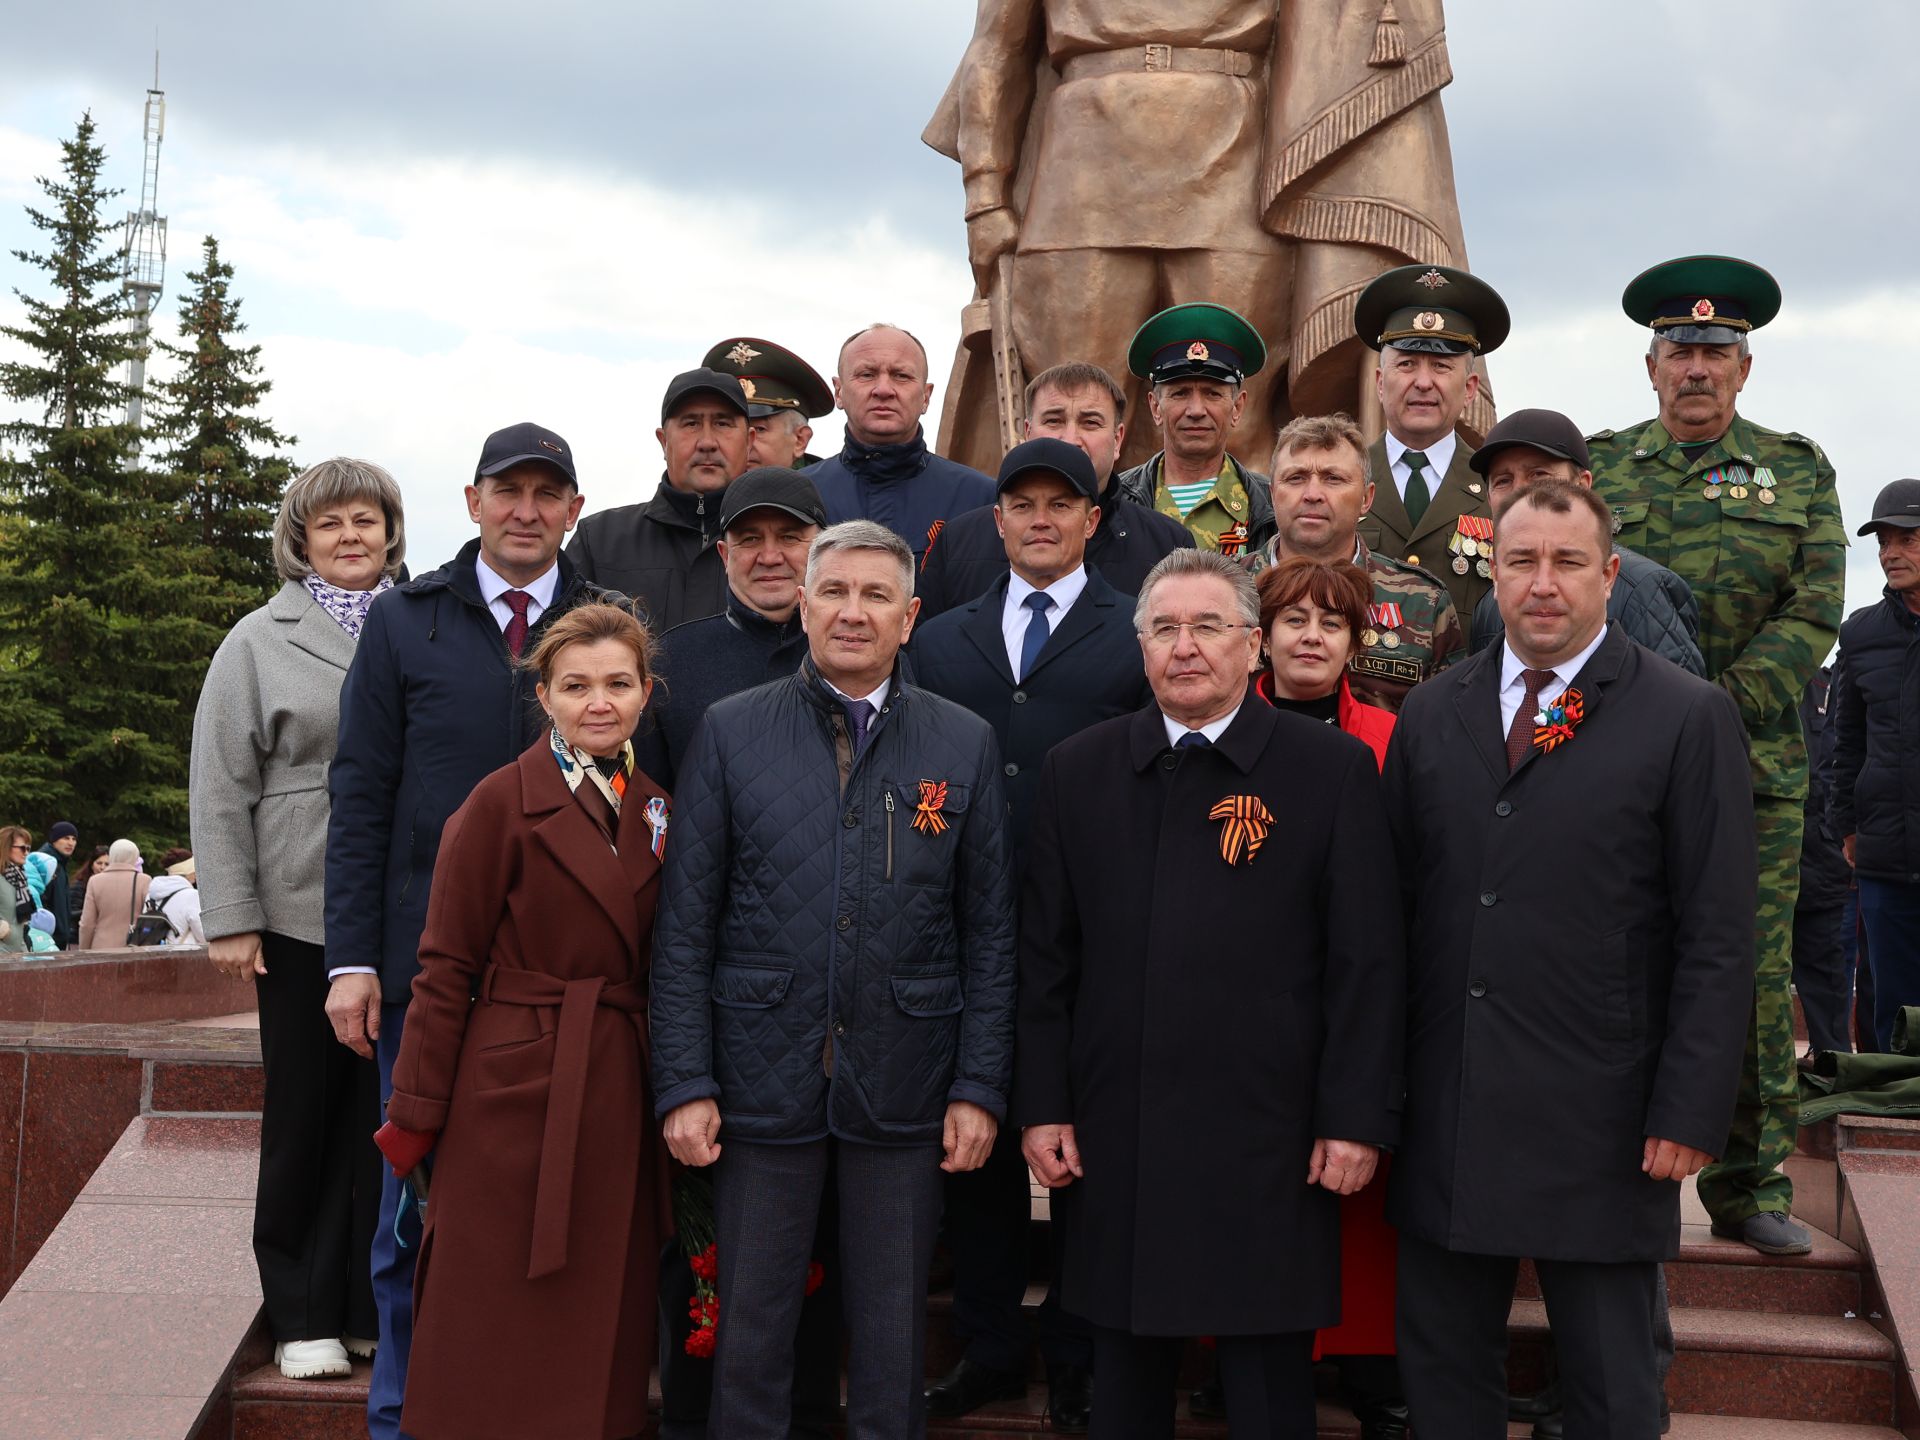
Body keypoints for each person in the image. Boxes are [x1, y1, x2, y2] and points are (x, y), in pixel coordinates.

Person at [1382, 479, 1754, 1439]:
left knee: (1613, 1392)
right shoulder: (1432, 716)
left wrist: (1689, 1108)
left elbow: (1718, 936)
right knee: (1445, 1381)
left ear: (1609, 574)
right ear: (1491, 574)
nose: (1542, 584)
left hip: (1607, 1117)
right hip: (1449, 1102)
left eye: (1567, 562)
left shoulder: (1685, 716)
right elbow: (1392, 920)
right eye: (1521, 561)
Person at [1016, 549, 1403, 1440]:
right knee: (1123, 1379)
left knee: (1268, 1386)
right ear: (1140, 646)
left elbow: (1366, 963)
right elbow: (1046, 963)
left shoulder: (1329, 771)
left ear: (1253, 645)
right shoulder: (1080, 770)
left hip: (1273, 1138)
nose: (1184, 648)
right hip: (1120, 1132)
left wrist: (1354, 1119)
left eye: (1208, 627)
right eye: (1164, 629)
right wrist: (1042, 1106)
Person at [651, 520, 1016, 1440]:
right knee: (754, 1333)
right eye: (836, 592)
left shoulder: (962, 742)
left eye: (876, 596)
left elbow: (991, 934)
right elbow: (685, 925)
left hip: (907, 1078)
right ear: (805, 605)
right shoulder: (732, 733)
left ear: (910, 617)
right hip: (759, 1078)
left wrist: (978, 1087)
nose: (854, 612)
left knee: (892, 1342)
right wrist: (686, 1083)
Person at [324, 420, 613, 1440]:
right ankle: (403, 1413)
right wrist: (353, 959)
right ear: (473, 500)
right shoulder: (406, 622)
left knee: (550, 1212)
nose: (527, 510)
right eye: (508, 491)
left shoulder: (606, 621)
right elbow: (361, 792)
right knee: (415, 1205)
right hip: (426, 977)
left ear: (575, 508)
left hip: (562, 990)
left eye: (548, 492)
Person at [928, 0, 1488, 475]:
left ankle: (1262, 583)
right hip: (1082, 174)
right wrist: (984, 194)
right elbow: (996, 48)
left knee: (1238, 414)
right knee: (1076, 412)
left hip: (1232, 174)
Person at [1588, 254, 1847, 1258]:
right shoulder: (1602, 470)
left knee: (1748, 970)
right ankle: (1608, 1163)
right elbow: (1577, 593)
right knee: (1616, 966)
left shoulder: (1798, 469)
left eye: (1715, 353)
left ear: (1745, 370)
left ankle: (1749, 1183)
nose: (1695, 368)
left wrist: (1718, 712)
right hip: (1619, 766)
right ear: (1650, 366)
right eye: (1679, 351)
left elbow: (1816, 604)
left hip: (1752, 767)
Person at [371, 602, 671, 1440]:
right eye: (576, 685)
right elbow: (443, 969)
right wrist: (415, 1115)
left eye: (617, 683)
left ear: (647, 693)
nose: (598, 702)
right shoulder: (499, 803)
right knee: (487, 1309)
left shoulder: (657, 810)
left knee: (599, 1313)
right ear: (544, 694)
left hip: (613, 1082)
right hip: (507, 1094)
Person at [911, 437, 1152, 1433]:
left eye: (1064, 502)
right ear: (997, 520)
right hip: (958, 927)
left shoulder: (1134, 631)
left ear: (1095, 518)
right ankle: (993, 1345)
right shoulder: (939, 638)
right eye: (1024, 503)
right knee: (977, 1155)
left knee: (1083, 1148)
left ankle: (1083, 1348)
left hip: (1091, 928)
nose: (1043, 518)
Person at [189, 457, 404, 1380]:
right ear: (301, 540)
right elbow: (220, 780)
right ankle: (300, 1309)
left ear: (393, 531)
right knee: (306, 1116)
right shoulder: (256, 639)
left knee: (381, 1117)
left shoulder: (421, 622)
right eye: (330, 524)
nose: (351, 537)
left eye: (367, 519)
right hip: (297, 913)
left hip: (398, 914)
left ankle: (364, 1303)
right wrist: (231, 915)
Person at [1248, 556, 1403, 1438]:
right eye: (1294, 620)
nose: (1311, 636)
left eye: (1331, 623)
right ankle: (1250, 1358)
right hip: (1257, 1001)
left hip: (1350, 993)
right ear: (1261, 635)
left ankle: (1368, 1364)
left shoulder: (1387, 738)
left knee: (1358, 1202)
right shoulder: (1222, 723)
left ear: (1354, 641)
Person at [916, 362, 1193, 621]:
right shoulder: (959, 542)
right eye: (1053, 421)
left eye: (1090, 423)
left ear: (1117, 439)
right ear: (1027, 432)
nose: (1071, 440)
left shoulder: (1166, 546)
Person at [1244, 412, 1462, 715]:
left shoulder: (1422, 601)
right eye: (1296, 478)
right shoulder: (1226, 589)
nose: (1312, 494)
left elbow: (1444, 727)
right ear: (1272, 493)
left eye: (1333, 479)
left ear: (1366, 499)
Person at [1466, 409, 1703, 676]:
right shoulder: (1489, 603)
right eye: (1503, 481)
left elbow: (1675, 705)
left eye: (1539, 476)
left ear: (1583, 484)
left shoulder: (1642, 591)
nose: (1520, 491)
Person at [635, 467, 826, 792]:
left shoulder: (862, 652)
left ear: (823, 547)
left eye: (789, 537)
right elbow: (648, 804)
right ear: (725, 555)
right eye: (750, 539)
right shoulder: (670, 660)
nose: (769, 556)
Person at [1352, 264, 1509, 633]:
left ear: (1470, 388)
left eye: (1441, 366)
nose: (1423, 383)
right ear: (1379, 382)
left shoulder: (1498, 487)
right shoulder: (1341, 481)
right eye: (1406, 364)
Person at [1830, 477, 1920, 1053]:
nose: (1891, 552)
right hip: (1884, 857)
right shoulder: (1860, 634)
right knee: (1891, 1005)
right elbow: (1846, 742)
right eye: (1884, 541)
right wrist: (1845, 825)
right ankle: (1892, 1124)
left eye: (1907, 538)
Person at [569, 371, 751, 633]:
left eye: (723, 424)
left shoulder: (780, 546)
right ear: (664, 441)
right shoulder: (599, 541)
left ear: (749, 441)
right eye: (691, 423)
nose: (707, 442)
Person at [806, 324, 996, 563]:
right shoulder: (801, 495)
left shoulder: (981, 499)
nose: (884, 390)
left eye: (901, 376)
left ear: (926, 396)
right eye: (866, 374)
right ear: (839, 391)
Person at [1115, 303, 1274, 556]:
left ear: (1237, 407)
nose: (1196, 410)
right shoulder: (1114, 501)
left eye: (1213, 394)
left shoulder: (1272, 502)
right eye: (1180, 393)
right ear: (1156, 407)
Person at [1796, 667, 1855, 1055]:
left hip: (1822, 865)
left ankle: (1833, 1075)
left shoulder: (1833, 686)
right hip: (1754, 866)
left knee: (1827, 977)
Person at [703, 336, 835, 470]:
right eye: (726, 426)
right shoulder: (701, 487)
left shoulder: (829, 489)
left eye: (760, 429)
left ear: (800, 440)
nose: (743, 443)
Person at [76, 837, 148, 951]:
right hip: (133, 948)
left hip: (101, 948)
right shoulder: (144, 880)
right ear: (135, 857)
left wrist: (84, 949)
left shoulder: (95, 881)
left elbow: (87, 923)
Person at [146, 849, 206, 946]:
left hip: (153, 954)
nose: (196, 873)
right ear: (187, 871)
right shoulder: (191, 895)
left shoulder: (151, 894)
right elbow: (203, 933)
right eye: (193, 869)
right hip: (184, 955)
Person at [36, 822, 78, 949]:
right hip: (46, 939)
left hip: (57, 938)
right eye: (66, 838)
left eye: (74, 839)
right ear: (54, 840)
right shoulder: (44, 864)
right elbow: (39, 902)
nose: (71, 843)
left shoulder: (60, 864)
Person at [0, 828, 32, 956]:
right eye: (22, 848)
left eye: (28, 848)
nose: (26, 853)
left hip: (16, 954)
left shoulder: (20, 879)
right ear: (6, 848)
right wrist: (4, 930)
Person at [69, 845, 109, 941]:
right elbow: (71, 913)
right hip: (77, 937)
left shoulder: (111, 886)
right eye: (99, 863)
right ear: (91, 864)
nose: (102, 867)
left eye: (107, 864)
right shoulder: (79, 885)